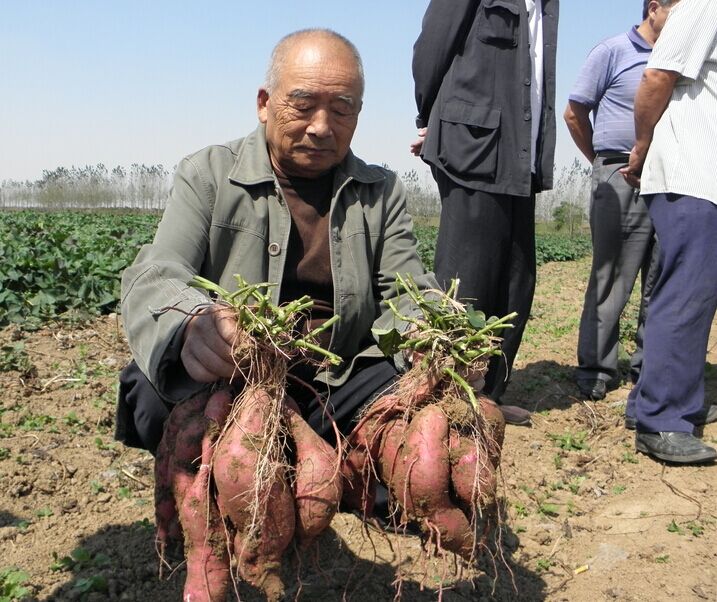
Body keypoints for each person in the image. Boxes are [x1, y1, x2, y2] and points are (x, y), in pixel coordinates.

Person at [115, 29, 439, 458]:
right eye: (302, 106)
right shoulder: (209, 173)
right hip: (237, 378)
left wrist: (426, 332)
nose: (321, 127)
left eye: (342, 110)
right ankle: (244, 469)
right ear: (264, 104)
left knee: (427, 397)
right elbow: (159, 272)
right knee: (151, 391)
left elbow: (408, 291)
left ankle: (320, 466)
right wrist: (193, 323)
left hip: (336, 385)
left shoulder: (380, 192)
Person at [411, 0, 559, 421]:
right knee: (467, 280)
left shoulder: (548, 5)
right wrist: (431, 117)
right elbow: (431, 49)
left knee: (515, 280)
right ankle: (445, 398)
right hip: (473, 147)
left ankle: (487, 395)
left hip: (519, 154)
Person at [564, 0, 677, 402]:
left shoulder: (681, 56)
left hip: (671, 177)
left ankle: (648, 367)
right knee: (612, 275)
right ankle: (596, 367)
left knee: (662, 278)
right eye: (677, 10)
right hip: (620, 174)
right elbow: (574, 113)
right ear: (653, 8)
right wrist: (602, 161)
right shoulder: (612, 51)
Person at [620, 0, 717, 464]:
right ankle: (663, 419)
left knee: (690, 294)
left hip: (702, 176)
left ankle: (656, 402)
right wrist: (641, 146)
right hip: (691, 172)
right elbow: (655, 77)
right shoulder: (704, 5)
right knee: (686, 294)